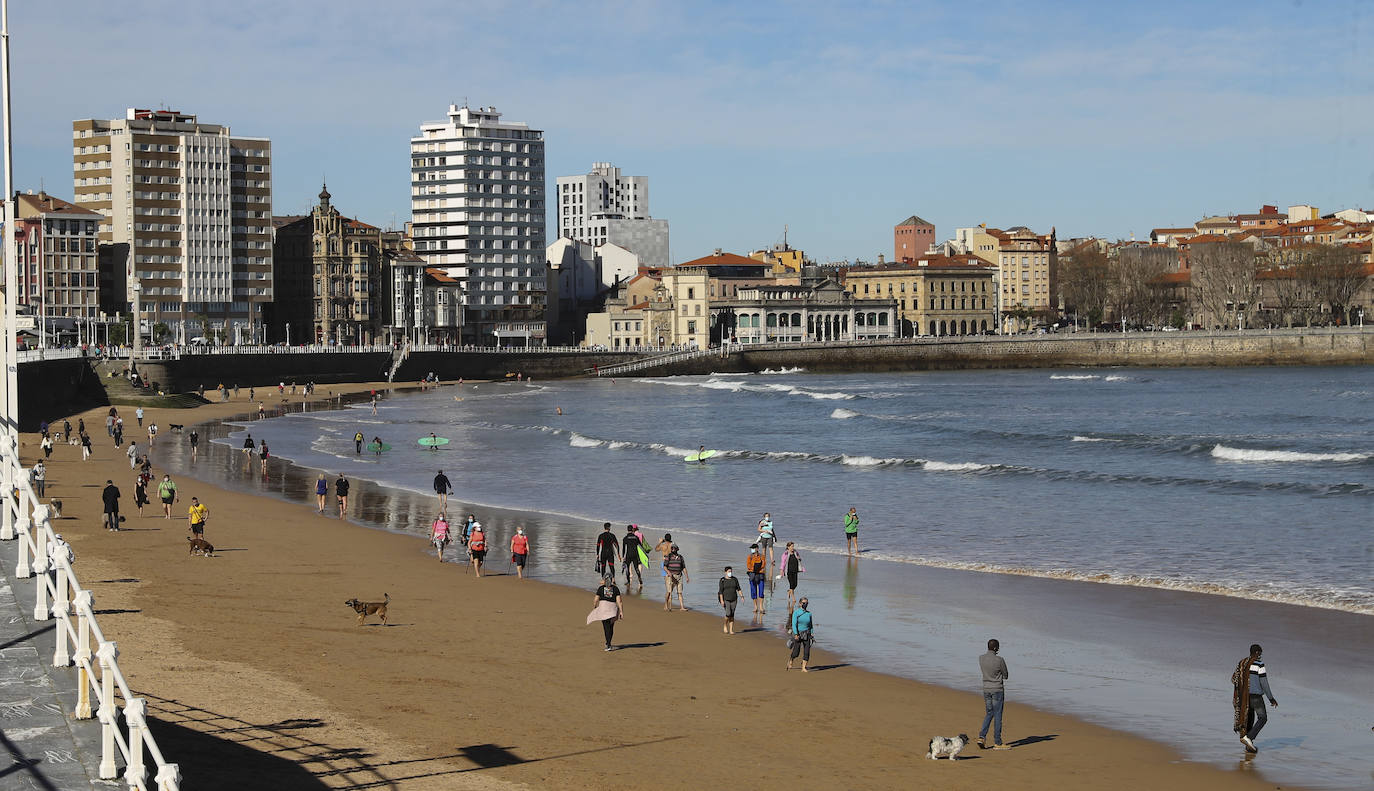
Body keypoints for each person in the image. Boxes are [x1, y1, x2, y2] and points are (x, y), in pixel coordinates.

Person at [1232, 643, 1278, 753]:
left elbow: (1234, 679)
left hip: (1244, 697)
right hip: (1255, 697)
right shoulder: (1259, 664)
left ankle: (1249, 746)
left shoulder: (1242, 663)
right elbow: (1264, 683)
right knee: (1263, 718)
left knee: (1249, 720)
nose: (1260, 656)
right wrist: (1271, 698)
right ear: (1257, 653)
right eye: (1260, 654)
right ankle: (1249, 738)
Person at [977, 639, 1012, 750]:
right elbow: (1006, 675)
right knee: (997, 715)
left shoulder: (981, 658)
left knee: (989, 713)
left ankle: (981, 737)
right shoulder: (999, 660)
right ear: (996, 648)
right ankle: (998, 742)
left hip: (986, 689)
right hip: (997, 689)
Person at [588, 575, 623, 651]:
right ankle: (608, 643)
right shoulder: (615, 589)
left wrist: (595, 607)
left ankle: (608, 644)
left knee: (606, 627)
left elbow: (595, 599)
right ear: (611, 580)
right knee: (610, 627)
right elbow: (619, 601)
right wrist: (621, 611)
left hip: (604, 608)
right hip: (613, 610)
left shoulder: (601, 588)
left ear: (604, 580)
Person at [787, 597, 814, 671]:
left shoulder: (809, 614)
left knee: (807, 651)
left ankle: (803, 667)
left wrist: (812, 633)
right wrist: (796, 634)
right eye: (804, 603)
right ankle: (791, 659)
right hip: (798, 633)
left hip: (807, 634)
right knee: (796, 652)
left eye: (807, 603)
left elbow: (811, 625)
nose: (805, 604)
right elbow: (794, 624)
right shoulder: (796, 612)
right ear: (800, 604)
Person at [663, 543, 689, 611]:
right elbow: (665, 566)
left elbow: (683, 568)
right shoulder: (668, 556)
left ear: (677, 549)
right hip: (670, 576)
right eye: (672, 548)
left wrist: (687, 577)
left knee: (680, 592)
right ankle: (666, 605)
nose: (672, 549)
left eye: (674, 548)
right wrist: (668, 572)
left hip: (679, 576)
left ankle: (682, 607)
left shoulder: (680, 557)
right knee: (669, 592)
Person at [779, 541, 804, 611]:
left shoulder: (796, 552)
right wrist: (781, 570)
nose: (793, 547)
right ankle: (793, 598)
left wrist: (799, 559)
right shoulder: (785, 554)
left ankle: (789, 591)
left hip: (795, 571)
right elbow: (783, 563)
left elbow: (799, 558)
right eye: (792, 546)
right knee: (791, 584)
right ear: (788, 547)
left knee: (795, 584)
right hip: (789, 571)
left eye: (793, 546)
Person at [718, 566, 742, 635]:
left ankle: (731, 630)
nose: (730, 573)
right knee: (728, 613)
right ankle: (725, 625)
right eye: (729, 571)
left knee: (732, 615)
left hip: (734, 599)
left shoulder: (735, 579)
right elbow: (720, 592)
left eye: (731, 571)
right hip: (726, 599)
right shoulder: (722, 580)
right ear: (725, 572)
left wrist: (742, 596)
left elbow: (739, 589)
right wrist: (722, 601)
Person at [746, 543, 767, 615]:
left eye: (753, 548)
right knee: (753, 591)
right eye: (751, 548)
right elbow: (748, 565)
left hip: (760, 574)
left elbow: (764, 564)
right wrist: (754, 568)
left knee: (761, 591)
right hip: (752, 574)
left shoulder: (762, 556)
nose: (752, 549)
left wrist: (758, 568)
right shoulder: (750, 556)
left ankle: (761, 607)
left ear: (757, 548)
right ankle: (755, 606)